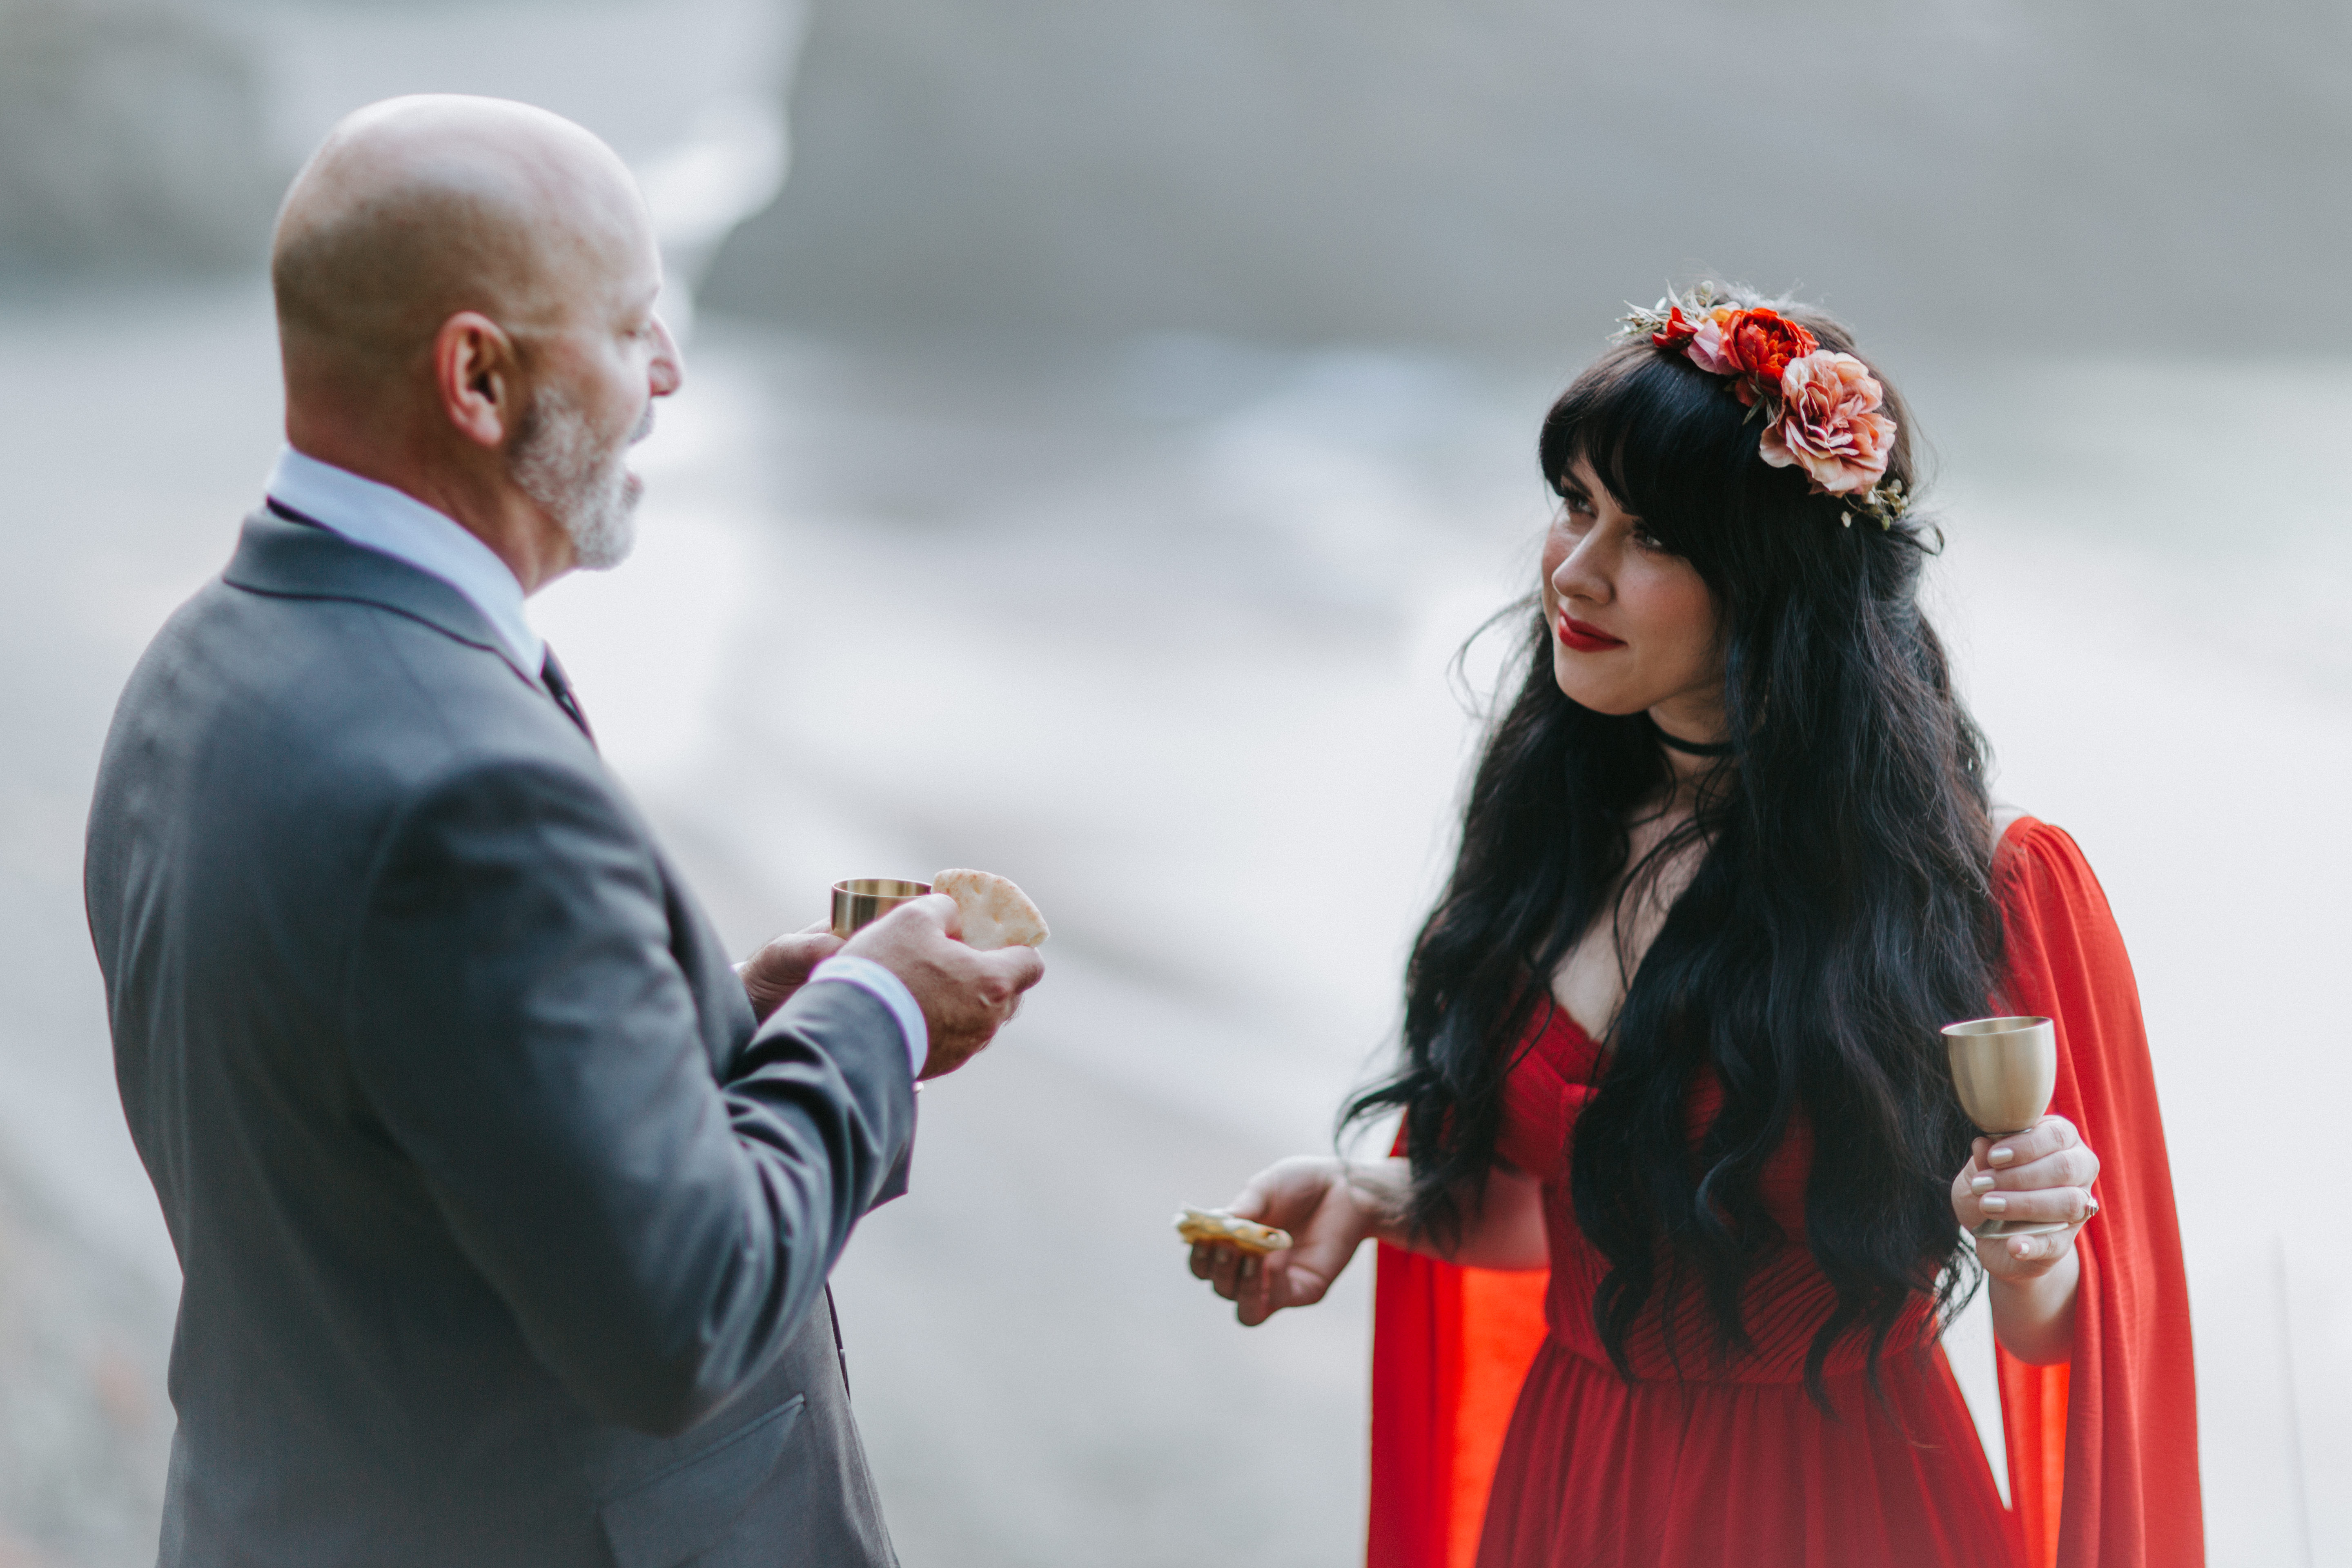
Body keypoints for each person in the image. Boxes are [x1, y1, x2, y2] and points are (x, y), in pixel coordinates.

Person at [82, 95, 1043, 1567]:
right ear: (476, 376)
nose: (667, 371)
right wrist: (875, 1014)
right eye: (630, 324)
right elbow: (683, 1316)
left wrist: (712, 1024)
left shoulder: (199, 667)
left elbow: (394, 1103)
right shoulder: (472, 787)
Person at [1186, 286, 2199, 1567]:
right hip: (1569, 1489)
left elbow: (2067, 1333)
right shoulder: (1557, 826)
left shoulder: (1984, 882)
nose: (1575, 569)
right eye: (1574, 503)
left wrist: (2032, 1240)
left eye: (1651, 533)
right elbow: (1571, 1210)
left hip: (1837, 1505)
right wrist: (1375, 1193)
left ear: (1774, 579)